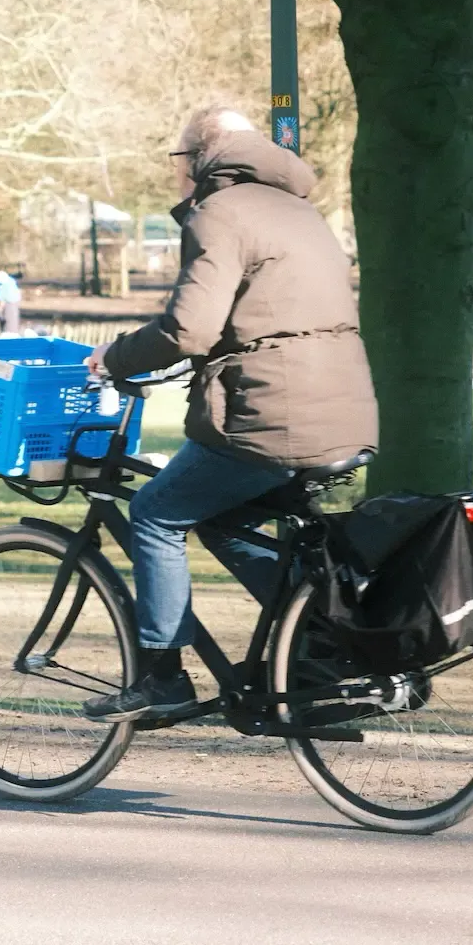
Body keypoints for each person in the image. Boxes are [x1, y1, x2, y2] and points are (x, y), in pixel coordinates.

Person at [81, 105, 378, 723]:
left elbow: (189, 329)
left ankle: (163, 676)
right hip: (345, 411)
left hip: (272, 415)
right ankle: (317, 631)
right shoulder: (300, 211)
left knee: (155, 512)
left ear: (198, 159)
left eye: (176, 159)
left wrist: (115, 358)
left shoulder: (219, 212)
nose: (174, 174)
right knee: (220, 519)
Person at [0, 268, 22, 336]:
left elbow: (2, 299)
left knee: (7, 323)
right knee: (13, 322)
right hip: (15, 303)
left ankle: (7, 335)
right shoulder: (11, 280)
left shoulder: (1, 285)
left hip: (8, 305)